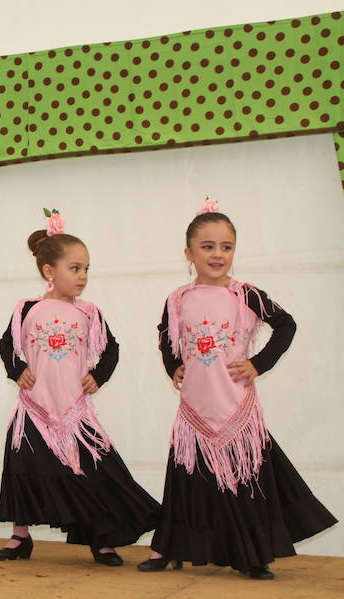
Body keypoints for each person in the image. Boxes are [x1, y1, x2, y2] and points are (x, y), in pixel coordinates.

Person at [138, 199, 337, 579]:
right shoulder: (178, 299)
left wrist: (258, 364)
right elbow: (167, 338)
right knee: (187, 482)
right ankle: (170, 547)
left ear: (234, 250)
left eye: (226, 247)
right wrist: (173, 366)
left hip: (236, 407)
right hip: (195, 408)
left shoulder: (246, 294)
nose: (217, 254)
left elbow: (287, 325)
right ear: (189, 253)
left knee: (246, 481)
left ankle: (252, 554)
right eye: (207, 246)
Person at [0, 209, 159, 566]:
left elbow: (111, 349)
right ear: (49, 272)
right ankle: (20, 538)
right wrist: (17, 368)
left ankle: (102, 541)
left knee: (95, 474)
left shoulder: (90, 312)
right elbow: (6, 345)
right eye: (75, 268)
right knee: (26, 472)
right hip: (34, 411)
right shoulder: (26, 309)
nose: (83, 276)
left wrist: (98, 375)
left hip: (74, 411)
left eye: (86, 269)